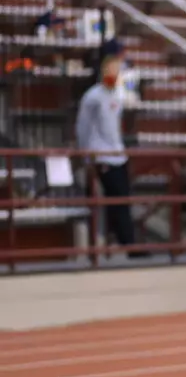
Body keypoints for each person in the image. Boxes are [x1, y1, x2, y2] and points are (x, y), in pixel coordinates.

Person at [76, 55, 135, 251]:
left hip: (119, 154)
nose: (115, 74)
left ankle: (121, 241)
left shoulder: (118, 94)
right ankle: (128, 244)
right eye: (112, 70)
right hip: (102, 156)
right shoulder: (92, 97)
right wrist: (86, 155)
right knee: (114, 200)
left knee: (123, 200)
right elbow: (83, 127)